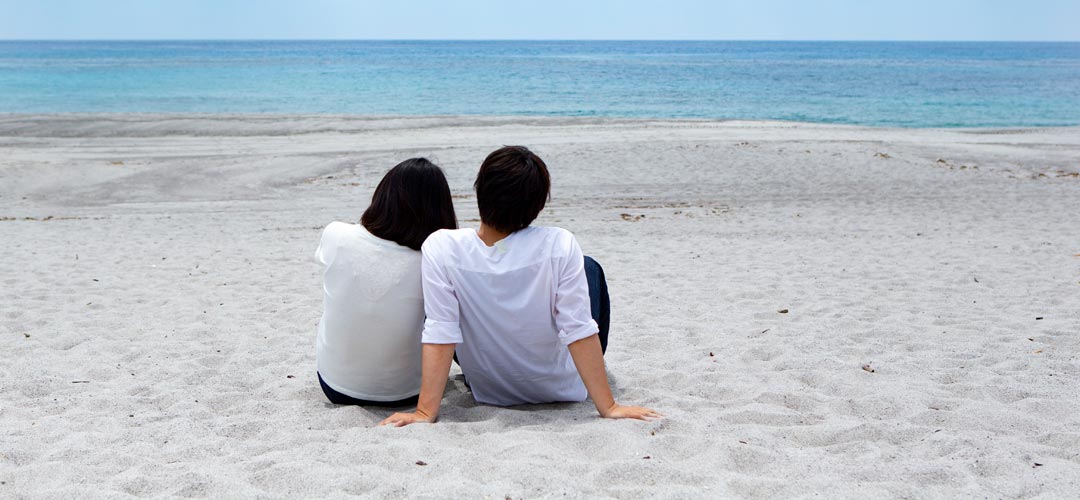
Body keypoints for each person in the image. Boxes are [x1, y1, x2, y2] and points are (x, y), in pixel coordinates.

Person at [380, 146, 660, 426]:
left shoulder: (441, 247)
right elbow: (577, 327)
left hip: (490, 391)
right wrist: (608, 406)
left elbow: (441, 329)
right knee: (590, 268)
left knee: (449, 307)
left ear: (480, 191)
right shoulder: (559, 243)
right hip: (562, 387)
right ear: (537, 206)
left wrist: (425, 412)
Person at [314, 158, 457, 407]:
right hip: (407, 392)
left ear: (383, 196)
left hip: (335, 386)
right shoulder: (433, 261)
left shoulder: (336, 234)